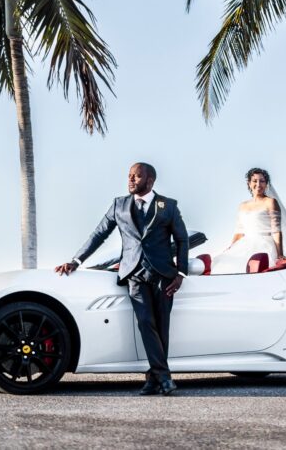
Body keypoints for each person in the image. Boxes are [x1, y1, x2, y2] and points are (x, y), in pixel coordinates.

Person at [56, 162, 189, 396]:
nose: (131, 180)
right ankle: (164, 377)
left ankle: (153, 378)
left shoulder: (167, 205)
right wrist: (76, 261)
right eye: (129, 176)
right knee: (145, 322)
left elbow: (182, 240)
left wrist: (181, 273)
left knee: (162, 327)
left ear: (150, 181)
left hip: (163, 276)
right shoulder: (119, 205)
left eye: (136, 176)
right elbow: (99, 234)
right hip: (133, 274)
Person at [212, 167, 286, 274]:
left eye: (262, 181)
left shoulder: (270, 202)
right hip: (244, 244)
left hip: (264, 245)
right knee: (223, 263)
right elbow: (239, 233)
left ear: (266, 184)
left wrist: (279, 255)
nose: (258, 184)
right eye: (255, 181)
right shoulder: (242, 206)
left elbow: (276, 231)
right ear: (249, 183)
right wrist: (231, 248)